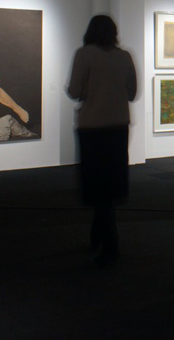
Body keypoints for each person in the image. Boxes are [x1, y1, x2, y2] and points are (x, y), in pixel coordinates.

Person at [67, 15, 137, 267]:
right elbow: (132, 93)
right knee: (110, 187)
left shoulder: (84, 54)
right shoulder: (124, 57)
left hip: (92, 128)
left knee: (97, 188)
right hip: (118, 127)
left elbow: (74, 91)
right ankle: (99, 237)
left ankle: (109, 245)